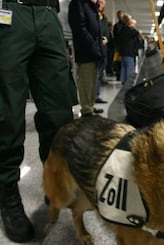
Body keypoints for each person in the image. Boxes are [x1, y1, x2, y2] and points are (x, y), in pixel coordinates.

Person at [0, 0, 77, 242]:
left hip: (48, 14)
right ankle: (7, 191)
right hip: (9, 11)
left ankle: (52, 178)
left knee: (59, 111)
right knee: (8, 113)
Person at [68, 0, 104, 117]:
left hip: (94, 50)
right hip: (86, 50)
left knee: (93, 81)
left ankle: (90, 105)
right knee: (86, 81)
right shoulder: (78, 4)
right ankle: (86, 109)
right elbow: (80, 28)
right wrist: (92, 45)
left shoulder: (90, 6)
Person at [118, 14, 140, 84]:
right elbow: (136, 32)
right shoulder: (128, 30)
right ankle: (128, 83)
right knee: (129, 68)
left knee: (124, 68)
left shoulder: (122, 29)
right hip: (129, 53)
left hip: (123, 52)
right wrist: (132, 26)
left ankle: (123, 81)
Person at [96, 0, 109, 104]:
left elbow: (107, 32)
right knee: (93, 75)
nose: (100, 4)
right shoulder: (91, 14)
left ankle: (96, 95)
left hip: (103, 50)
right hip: (93, 49)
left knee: (99, 75)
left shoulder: (104, 18)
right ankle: (90, 98)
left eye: (102, 3)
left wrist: (106, 38)